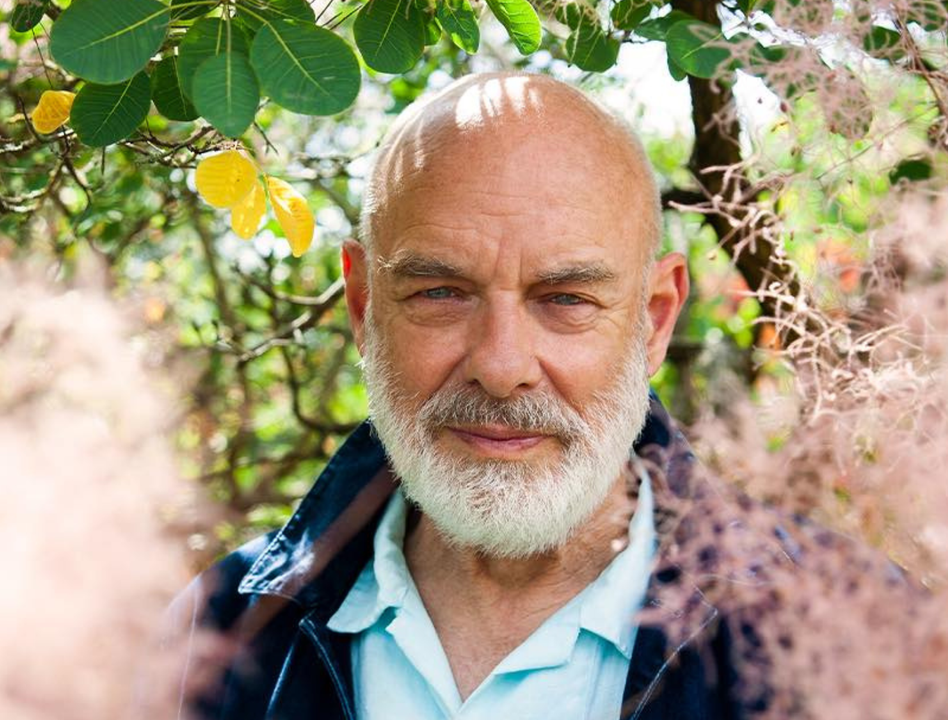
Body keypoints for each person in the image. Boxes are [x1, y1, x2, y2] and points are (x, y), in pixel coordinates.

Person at [164, 71, 890, 720]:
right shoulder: (209, 640)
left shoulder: (853, 637)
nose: (502, 365)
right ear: (363, 308)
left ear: (655, 319)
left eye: (567, 298)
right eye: (441, 292)